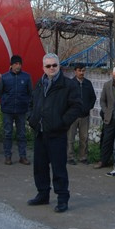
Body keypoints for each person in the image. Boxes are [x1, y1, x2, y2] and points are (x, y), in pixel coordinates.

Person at [27, 53, 82, 213]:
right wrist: (31, 118)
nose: (51, 68)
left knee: (59, 169)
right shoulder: (40, 83)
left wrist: (62, 122)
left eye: (54, 65)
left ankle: (62, 199)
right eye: (48, 66)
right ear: (43, 67)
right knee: (40, 167)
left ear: (59, 66)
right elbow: (31, 103)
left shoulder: (68, 85)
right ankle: (42, 194)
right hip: (40, 132)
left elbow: (77, 107)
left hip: (57, 134)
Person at [0, 55, 32, 165]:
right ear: (11, 65)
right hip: (8, 110)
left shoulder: (26, 77)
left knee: (21, 134)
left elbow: (30, 92)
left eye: (19, 64)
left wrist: (26, 104)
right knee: (8, 133)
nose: (18, 66)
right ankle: (8, 156)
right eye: (16, 64)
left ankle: (23, 156)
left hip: (21, 110)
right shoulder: (4, 77)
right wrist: (5, 101)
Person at [93, 66, 115, 169]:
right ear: (112, 74)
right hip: (109, 118)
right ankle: (103, 161)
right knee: (107, 140)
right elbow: (102, 100)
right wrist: (106, 111)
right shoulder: (107, 85)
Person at [67, 63, 96, 165]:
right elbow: (66, 99)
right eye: (79, 70)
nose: (81, 73)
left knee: (84, 138)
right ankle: (70, 157)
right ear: (75, 71)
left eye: (83, 70)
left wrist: (88, 107)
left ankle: (83, 157)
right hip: (73, 116)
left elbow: (93, 97)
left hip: (85, 116)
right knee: (70, 137)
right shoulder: (70, 84)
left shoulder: (88, 83)